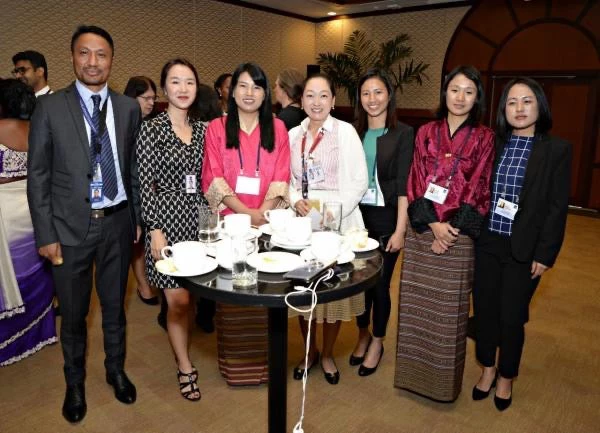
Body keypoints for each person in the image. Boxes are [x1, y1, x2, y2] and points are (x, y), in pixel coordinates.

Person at [27, 25, 141, 423]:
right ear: (73, 57)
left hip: (117, 225)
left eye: (101, 54)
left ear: (112, 59)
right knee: (73, 315)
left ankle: (115, 370)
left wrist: (137, 219)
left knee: (115, 308)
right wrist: (46, 234)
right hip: (69, 230)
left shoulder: (128, 108)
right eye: (84, 53)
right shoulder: (50, 108)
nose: (93, 62)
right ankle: (74, 383)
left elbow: (132, 168)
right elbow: (37, 175)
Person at [394, 65, 495, 402]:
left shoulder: (484, 137)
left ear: (477, 97)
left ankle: (441, 386)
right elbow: (415, 180)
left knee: (448, 315)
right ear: (445, 92)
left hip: (458, 235)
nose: (461, 97)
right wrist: (433, 225)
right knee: (416, 308)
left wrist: (450, 230)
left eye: (468, 91)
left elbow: (481, 186)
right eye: (455, 89)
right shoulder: (425, 131)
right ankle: (412, 377)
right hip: (424, 231)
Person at [472, 77, 571, 411]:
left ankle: (506, 376)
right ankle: (487, 368)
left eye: (526, 101)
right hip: (488, 242)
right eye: (512, 102)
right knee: (484, 311)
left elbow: (558, 208)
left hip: (524, 249)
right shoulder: (493, 143)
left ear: (539, 105)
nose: (519, 108)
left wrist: (546, 253)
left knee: (511, 317)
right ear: (503, 109)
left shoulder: (556, 150)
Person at [202, 62, 290, 385]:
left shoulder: (277, 128)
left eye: (256, 86)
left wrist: (261, 214)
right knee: (234, 295)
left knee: (265, 292)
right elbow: (213, 177)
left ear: (265, 93)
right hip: (231, 225)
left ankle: (264, 366)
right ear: (231, 91)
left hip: (268, 225)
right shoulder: (216, 128)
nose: (249, 93)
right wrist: (246, 214)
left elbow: (282, 175)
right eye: (242, 85)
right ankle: (236, 368)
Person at [288, 73, 368, 384]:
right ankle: (308, 352)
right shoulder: (294, 135)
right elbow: (288, 180)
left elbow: (360, 180)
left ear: (333, 101)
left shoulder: (345, 132)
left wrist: (334, 214)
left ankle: (327, 353)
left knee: (332, 293)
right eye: (310, 95)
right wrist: (295, 201)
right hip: (304, 223)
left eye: (323, 96)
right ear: (301, 100)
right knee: (305, 290)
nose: (316, 102)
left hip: (339, 221)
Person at [137, 58, 207, 401]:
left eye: (189, 82)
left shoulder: (206, 130)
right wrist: (154, 229)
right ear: (165, 88)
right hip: (165, 220)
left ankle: (184, 345)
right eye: (176, 82)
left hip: (199, 220)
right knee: (177, 300)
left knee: (191, 297)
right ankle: (184, 365)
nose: (183, 89)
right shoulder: (151, 129)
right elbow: (144, 184)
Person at [349, 68, 413, 376]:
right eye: (366, 93)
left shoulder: (403, 133)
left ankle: (377, 340)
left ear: (389, 95)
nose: (372, 99)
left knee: (380, 284)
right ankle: (362, 334)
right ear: (359, 99)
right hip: (357, 220)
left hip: (388, 218)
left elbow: (404, 185)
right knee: (359, 282)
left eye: (378, 92)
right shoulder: (352, 132)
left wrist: (401, 229)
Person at [0, 79, 57, 366]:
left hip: (6, 213)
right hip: (35, 211)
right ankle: (38, 332)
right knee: (36, 269)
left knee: (8, 275)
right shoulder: (38, 130)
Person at [123, 76, 159, 306]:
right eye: (145, 98)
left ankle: (151, 280)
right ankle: (143, 284)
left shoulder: (154, 125)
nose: (150, 103)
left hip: (153, 192)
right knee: (136, 241)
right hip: (130, 192)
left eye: (154, 98)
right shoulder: (124, 126)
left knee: (150, 239)